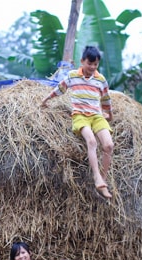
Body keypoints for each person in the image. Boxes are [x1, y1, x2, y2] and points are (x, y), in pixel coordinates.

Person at [41, 45, 114, 199]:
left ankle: (103, 180)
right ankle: (96, 176)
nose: (92, 67)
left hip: (97, 116)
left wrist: (110, 114)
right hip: (80, 115)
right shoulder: (73, 76)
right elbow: (60, 89)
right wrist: (47, 99)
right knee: (92, 141)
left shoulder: (101, 80)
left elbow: (106, 98)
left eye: (96, 64)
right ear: (82, 61)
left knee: (108, 145)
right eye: (90, 63)